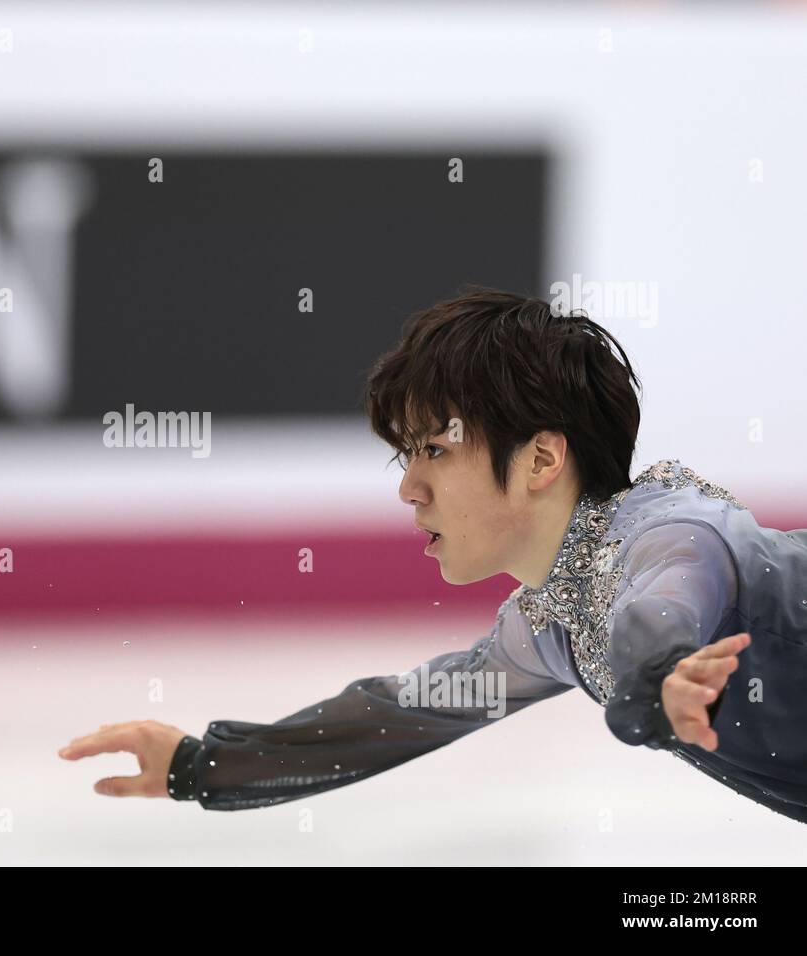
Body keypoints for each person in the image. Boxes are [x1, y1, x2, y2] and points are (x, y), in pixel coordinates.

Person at [58, 288, 807, 824]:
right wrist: (204, 763)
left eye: (434, 450)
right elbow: (405, 710)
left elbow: (666, 602)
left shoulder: (669, 532)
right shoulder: (549, 622)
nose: (410, 489)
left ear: (541, 458)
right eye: (404, 458)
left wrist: (659, 676)